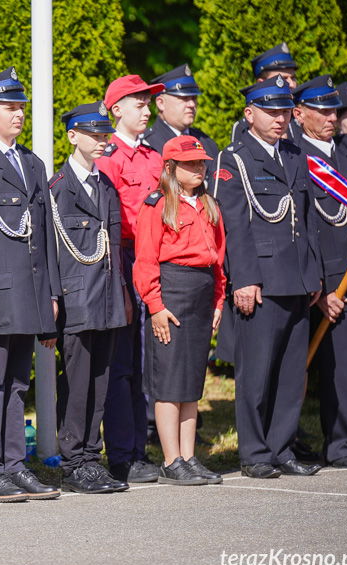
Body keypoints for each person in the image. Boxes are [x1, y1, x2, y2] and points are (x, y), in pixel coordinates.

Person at [212, 75, 322, 479]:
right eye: (271, 111)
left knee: (291, 374)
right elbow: (234, 225)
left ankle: (282, 447)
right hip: (260, 281)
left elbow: (306, 220)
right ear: (249, 113)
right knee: (257, 373)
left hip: (297, 277)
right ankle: (255, 453)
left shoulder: (294, 154)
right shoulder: (234, 159)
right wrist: (243, 278)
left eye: (284, 112)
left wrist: (314, 274)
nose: (280, 119)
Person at [0, 67, 60, 502]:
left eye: (20, 106)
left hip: (31, 290)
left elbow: (45, 234)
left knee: (19, 381)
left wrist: (52, 292)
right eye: (8, 107)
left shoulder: (32, 163)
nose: (18, 114)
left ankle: (15, 464)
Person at [134, 135, 226, 486]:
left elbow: (219, 258)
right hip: (172, 292)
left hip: (201, 294)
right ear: (171, 168)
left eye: (201, 162)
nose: (199, 168)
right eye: (190, 164)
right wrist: (156, 306)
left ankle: (189, 457)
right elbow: (145, 259)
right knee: (169, 382)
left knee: (191, 381)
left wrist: (218, 300)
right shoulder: (158, 204)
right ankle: (171, 460)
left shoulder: (208, 203)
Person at [48, 101, 129, 494]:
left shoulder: (105, 185)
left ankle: (91, 458)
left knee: (100, 382)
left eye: (104, 134)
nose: (102, 141)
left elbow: (114, 246)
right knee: (77, 385)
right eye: (94, 134)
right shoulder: (59, 189)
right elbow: (52, 253)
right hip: (76, 299)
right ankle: (73, 461)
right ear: (72, 136)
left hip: (107, 299)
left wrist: (122, 295)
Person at [292, 76, 347, 469]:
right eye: (322, 111)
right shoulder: (295, 156)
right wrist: (319, 289)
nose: (331, 118)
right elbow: (301, 229)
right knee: (342, 369)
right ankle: (342, 444)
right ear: (299, 114)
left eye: (334, 110)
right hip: (335, 281)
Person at [96, 74, 164, 484]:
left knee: (144, 364)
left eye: (148, 103)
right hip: (122, 258)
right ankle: (122, 454)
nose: (146, 110)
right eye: (139, 103)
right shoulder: (109, 157)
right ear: (116, 109)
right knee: (121, 363)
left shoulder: (154, 157)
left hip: (154, 261)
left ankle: (140, 447)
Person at [144, 64, 219, 174]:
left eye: (194, 98)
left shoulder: (206, 142)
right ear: (161, 103)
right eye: (184, 98)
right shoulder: (148, 145)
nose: (191, 104)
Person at [230, 43, 299, 144]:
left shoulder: (302, 118)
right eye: (283, 79)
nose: (292, 84)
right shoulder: (245, 126)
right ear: (261, 82)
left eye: (293, 78)